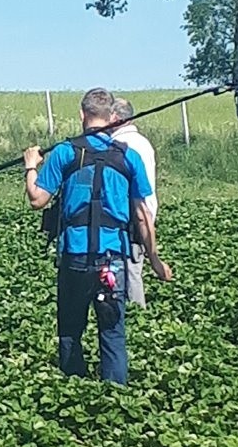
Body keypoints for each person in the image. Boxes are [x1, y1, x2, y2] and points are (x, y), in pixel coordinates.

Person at [23, 88, 172, 385]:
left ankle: (73, 388)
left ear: (82, 114)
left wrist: (30, 165)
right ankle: (115, 397)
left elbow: (37, 199)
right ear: (112, 117)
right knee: (113, 332)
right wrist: (154, 259)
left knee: (70, 329)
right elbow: (142, 214)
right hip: (112, 259)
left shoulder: (66, 152)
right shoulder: (128, 157)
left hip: (75, 257)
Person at [111, 97, 158, 307]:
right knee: (132, 266)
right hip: (144, 213)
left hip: (132, 215)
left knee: (131, 270)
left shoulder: (123, 145)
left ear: (116, 118)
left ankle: (137, 312)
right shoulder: (142, 141)